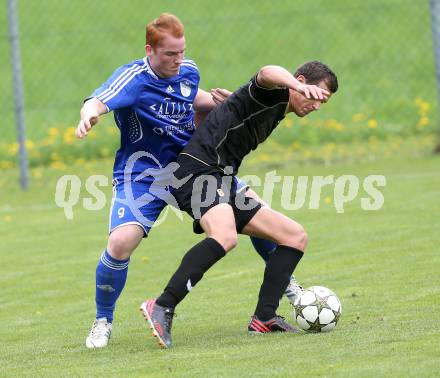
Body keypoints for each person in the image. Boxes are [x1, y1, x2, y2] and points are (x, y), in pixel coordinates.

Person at [75, 13, 302, 349]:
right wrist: (89, 114)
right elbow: (99, 99)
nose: (178, 60)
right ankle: (102, 320)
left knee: (253, 209)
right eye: (170, 54)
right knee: (121, 242)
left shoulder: (187, 70)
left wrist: (218, 102)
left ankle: (286, 284)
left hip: (193, 167)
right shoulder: (133, 78)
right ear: (149, 50)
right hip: (143, 176)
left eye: (181, 52)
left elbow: (190, 98)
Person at [140, 61, 338, 349]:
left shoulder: (277, 109)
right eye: (315, 94)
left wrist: (234, 102)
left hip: (220, 178)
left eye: (324, 101)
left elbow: (238, 110)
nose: (317, 105)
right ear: (300, 80)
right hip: (197, 172)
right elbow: (268, 71)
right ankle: (161, 306)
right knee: (224, 236)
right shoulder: (274, 93)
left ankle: (264, 317)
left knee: (294, 236)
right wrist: (294, 86)